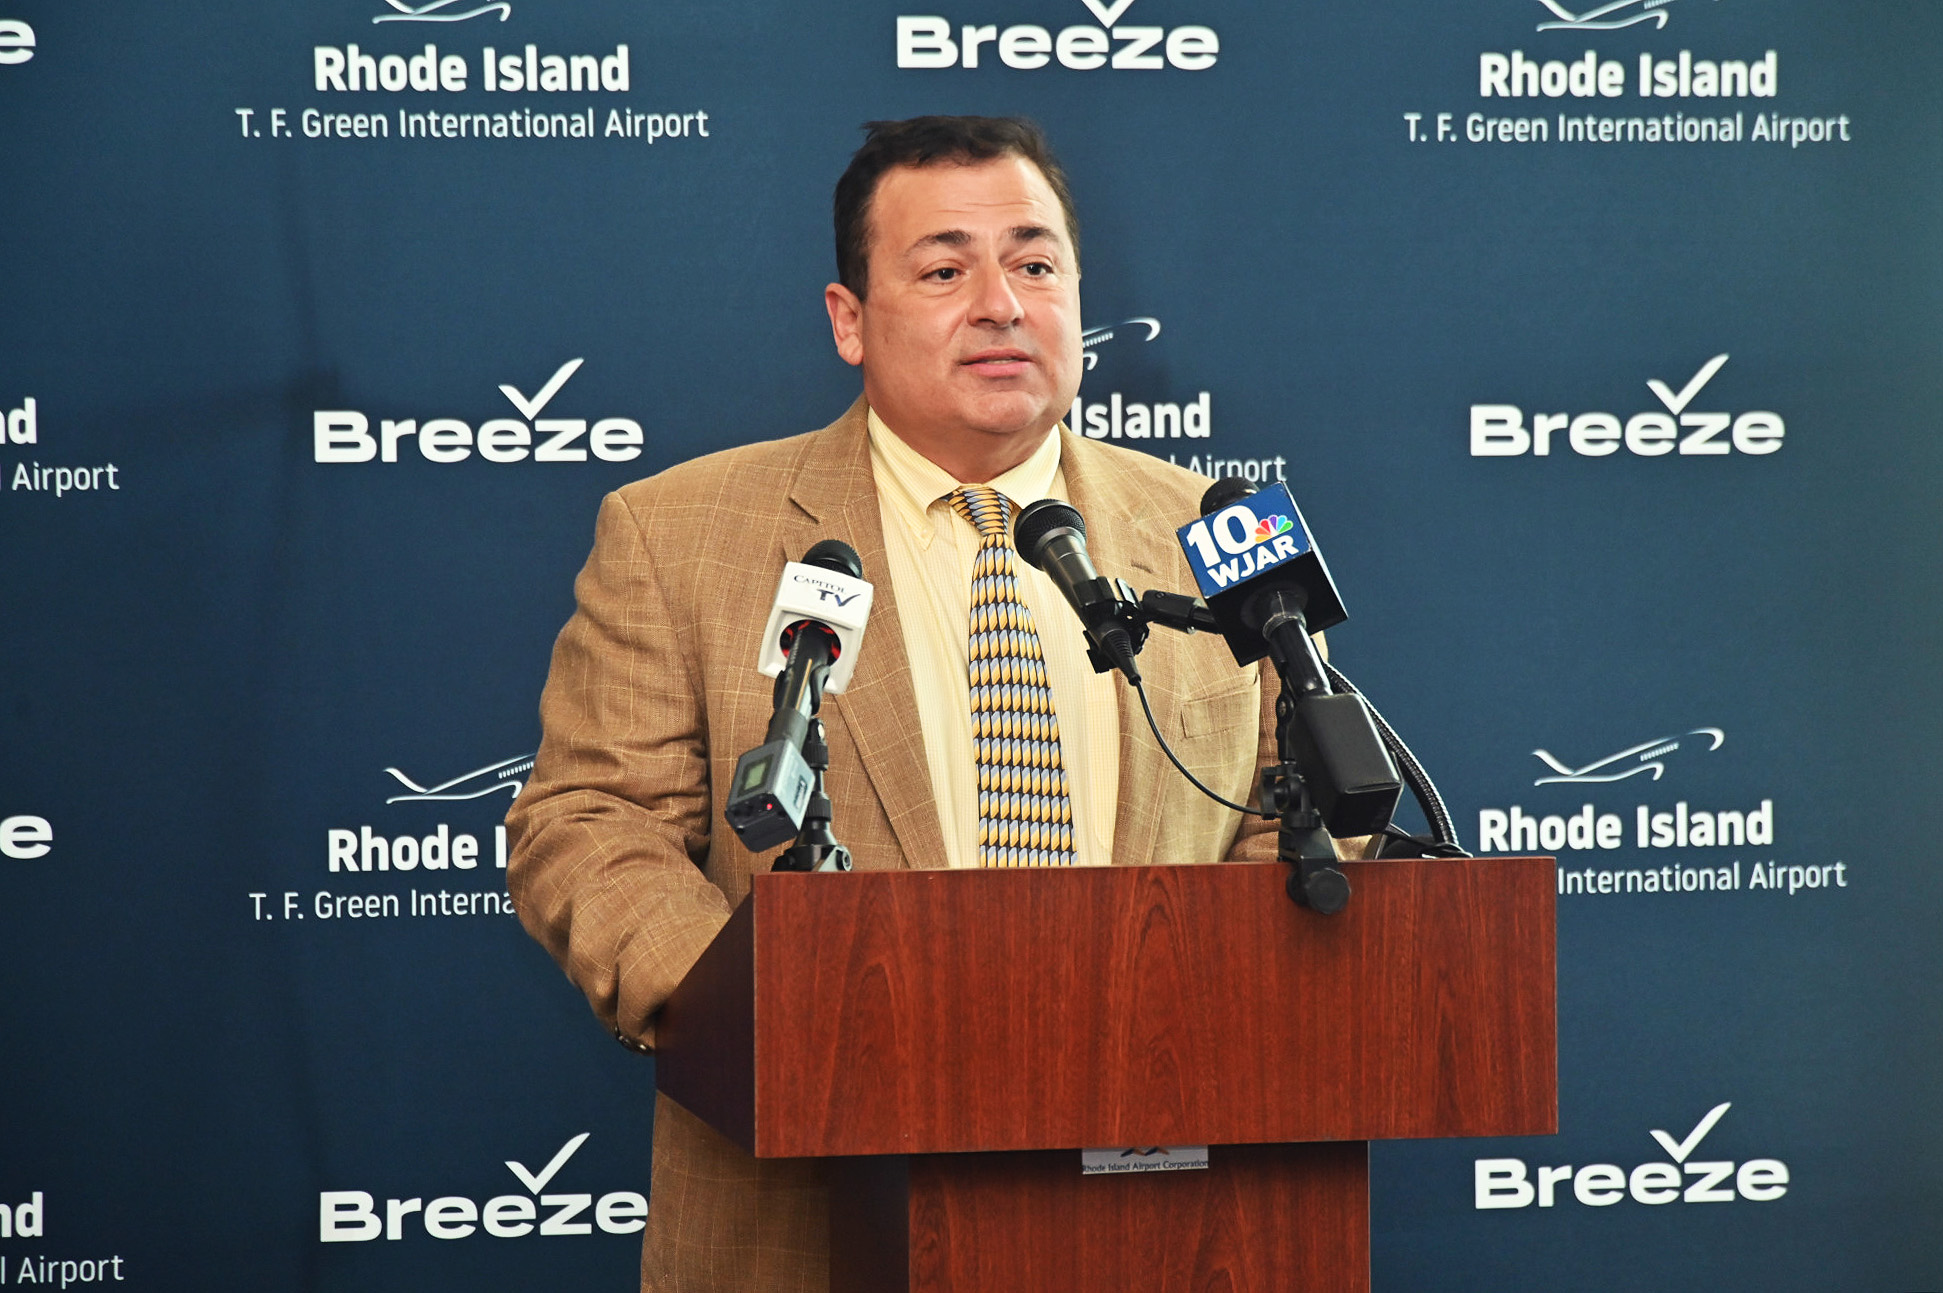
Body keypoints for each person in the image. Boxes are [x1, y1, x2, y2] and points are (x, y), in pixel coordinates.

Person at [507, 115, 1310, 1293]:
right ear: (848, 320)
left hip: (1168, 1212)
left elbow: (1299, 818)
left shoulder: (1215, 531)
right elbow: (589, 823)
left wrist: (1188, 1022)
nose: (1000, 304)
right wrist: (765, 1014)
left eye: (1034, 264)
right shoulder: (679, 535)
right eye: (943, 271)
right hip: (814, 1221)